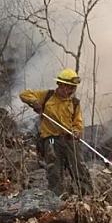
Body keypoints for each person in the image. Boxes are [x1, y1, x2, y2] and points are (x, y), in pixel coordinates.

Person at [19, 68, 93, 196]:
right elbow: (24, 94)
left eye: (72, 88)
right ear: (60, 85)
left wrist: (76, 131)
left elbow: (78, 123)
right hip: (51, 139)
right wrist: (35, 102)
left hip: (69, 139)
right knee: (54, 171)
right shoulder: (47, 96)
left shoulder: (74, 103)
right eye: (67, 87)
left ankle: (88, 199)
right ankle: (57, 200)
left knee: (79, 169)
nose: (69, 91)